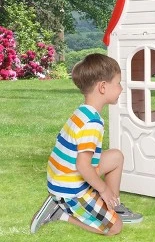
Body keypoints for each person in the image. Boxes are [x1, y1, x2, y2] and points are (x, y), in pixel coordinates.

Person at [30, 53, 142, 236]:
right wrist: (103, 189)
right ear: (103, 87)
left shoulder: (84, 112)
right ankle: (59, 213)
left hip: (62, 176)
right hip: (70, 189)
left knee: (116, 157)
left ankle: (113, 206)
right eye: (118, 83)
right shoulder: (92, 123)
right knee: (115, 228)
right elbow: (82, 165)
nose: (121, 88)